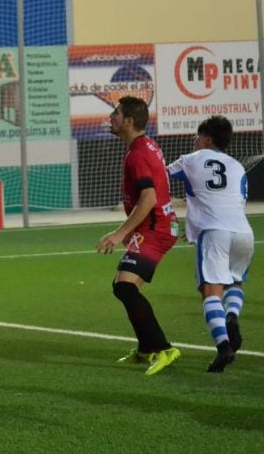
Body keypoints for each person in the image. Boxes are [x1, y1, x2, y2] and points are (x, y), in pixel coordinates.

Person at [96, 96, 181, 376]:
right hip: (155, 225)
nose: (111, 118)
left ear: (129, 121)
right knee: (123, 287)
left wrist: (120, 233)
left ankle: (163, 348)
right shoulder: (144, 146)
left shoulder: (138, 153)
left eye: (116, 114)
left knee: (125, 288)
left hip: (154, 228)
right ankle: (146, 349)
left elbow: (148, 198)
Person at [166, 115, 253, 373]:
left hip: (215, 233)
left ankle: (223, 347)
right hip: (244, 232)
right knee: (234, 282)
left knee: (209, 291)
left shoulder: (190, 160)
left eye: (197, 136)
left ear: (206, 139)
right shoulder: (237, 166)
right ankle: (232, 316)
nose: (194, 141)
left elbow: (159, 177)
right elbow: (234, 201)